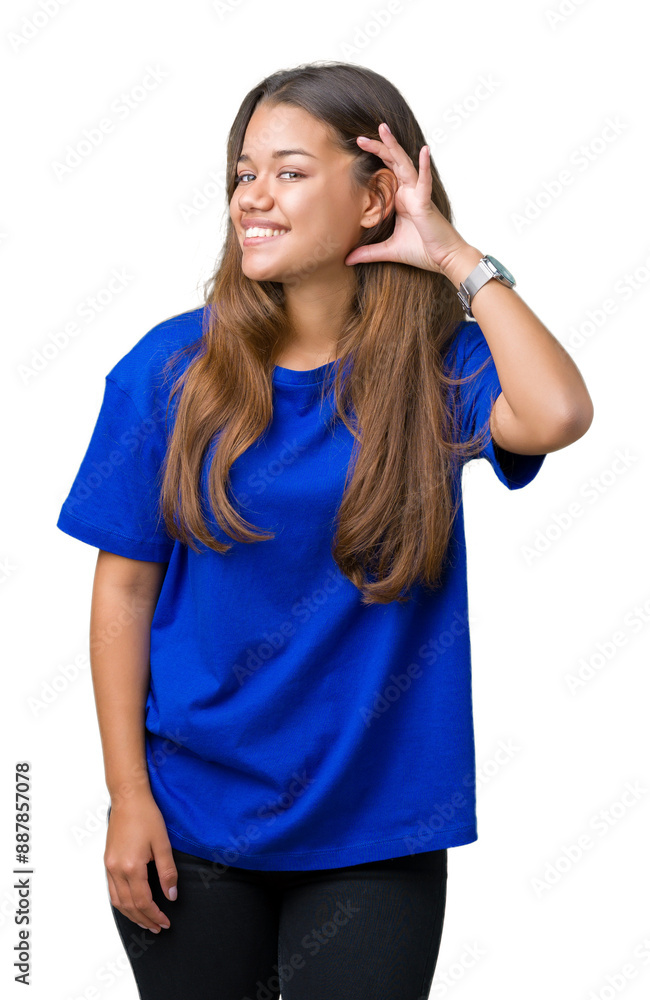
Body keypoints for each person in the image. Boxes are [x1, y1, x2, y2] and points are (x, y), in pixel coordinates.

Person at [56, 61, 594, 1000]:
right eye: (243, 171)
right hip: (191, 818)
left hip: (375, 826)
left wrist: (459, 259)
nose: (253, 197)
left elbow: (555, 414)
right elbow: (124, 589)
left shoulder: (439, 368)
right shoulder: (166, 370)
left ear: (377, 194)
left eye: (290, 172)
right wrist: (127, 798)